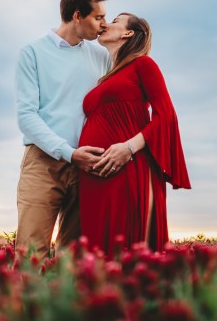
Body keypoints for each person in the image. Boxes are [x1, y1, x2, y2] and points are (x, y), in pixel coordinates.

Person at [78, 13, 191, 256]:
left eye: (116, 20)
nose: (107, 24)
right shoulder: (104, 78)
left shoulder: (143, 64)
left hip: (128, 167)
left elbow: (167, 115)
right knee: (98, 261)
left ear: (128, 33)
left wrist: (127, 148)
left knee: (127, 254)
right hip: (94, 176)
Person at [15, 0, 111, 258]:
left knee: (76, 260)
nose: (104, 24)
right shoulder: (32, 52)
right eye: (98, 17)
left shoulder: (102, 56)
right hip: (43, 163)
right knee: (30, 253)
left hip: (88, 167)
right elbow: (26, 116)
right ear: (77, 15)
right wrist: (69, 153)